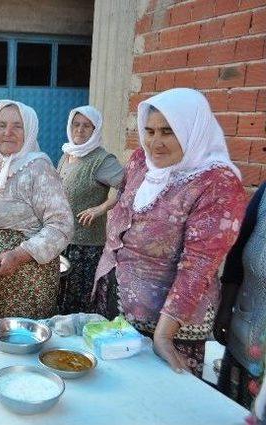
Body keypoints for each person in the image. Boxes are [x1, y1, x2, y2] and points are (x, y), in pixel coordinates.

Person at [93, 88, 247, 378]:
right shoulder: (141, 161)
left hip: (167, 327)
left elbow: (199, 265)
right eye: (149, 131)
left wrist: (163, 336)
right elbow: (124, 206)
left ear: (192, 130)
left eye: (168, 131)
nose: (155, 143)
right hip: (117, 306)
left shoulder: (217, 184)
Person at [0, 100, 74, 326]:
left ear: (30, 130)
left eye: (17, 126)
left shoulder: (38, 168)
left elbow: (61, 226)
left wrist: (18, 255)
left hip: (22, 282)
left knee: (14, 347)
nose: (8, 132)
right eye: (1, 125)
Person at [57, 106, 124, 314]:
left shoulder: (102, 160)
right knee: (59, 297)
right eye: (76, 124)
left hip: (85, 245)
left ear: (95, 130)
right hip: (61, 240)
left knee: (79, 302)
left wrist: (101, 208)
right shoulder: (67, 154)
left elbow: (128, 185)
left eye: (87, 126)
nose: (80, 129)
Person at [215, 181, 266, 408]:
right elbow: (237, 252)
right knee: (232, 411)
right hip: (246, 335)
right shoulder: (264, 193)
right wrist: (225, 309)